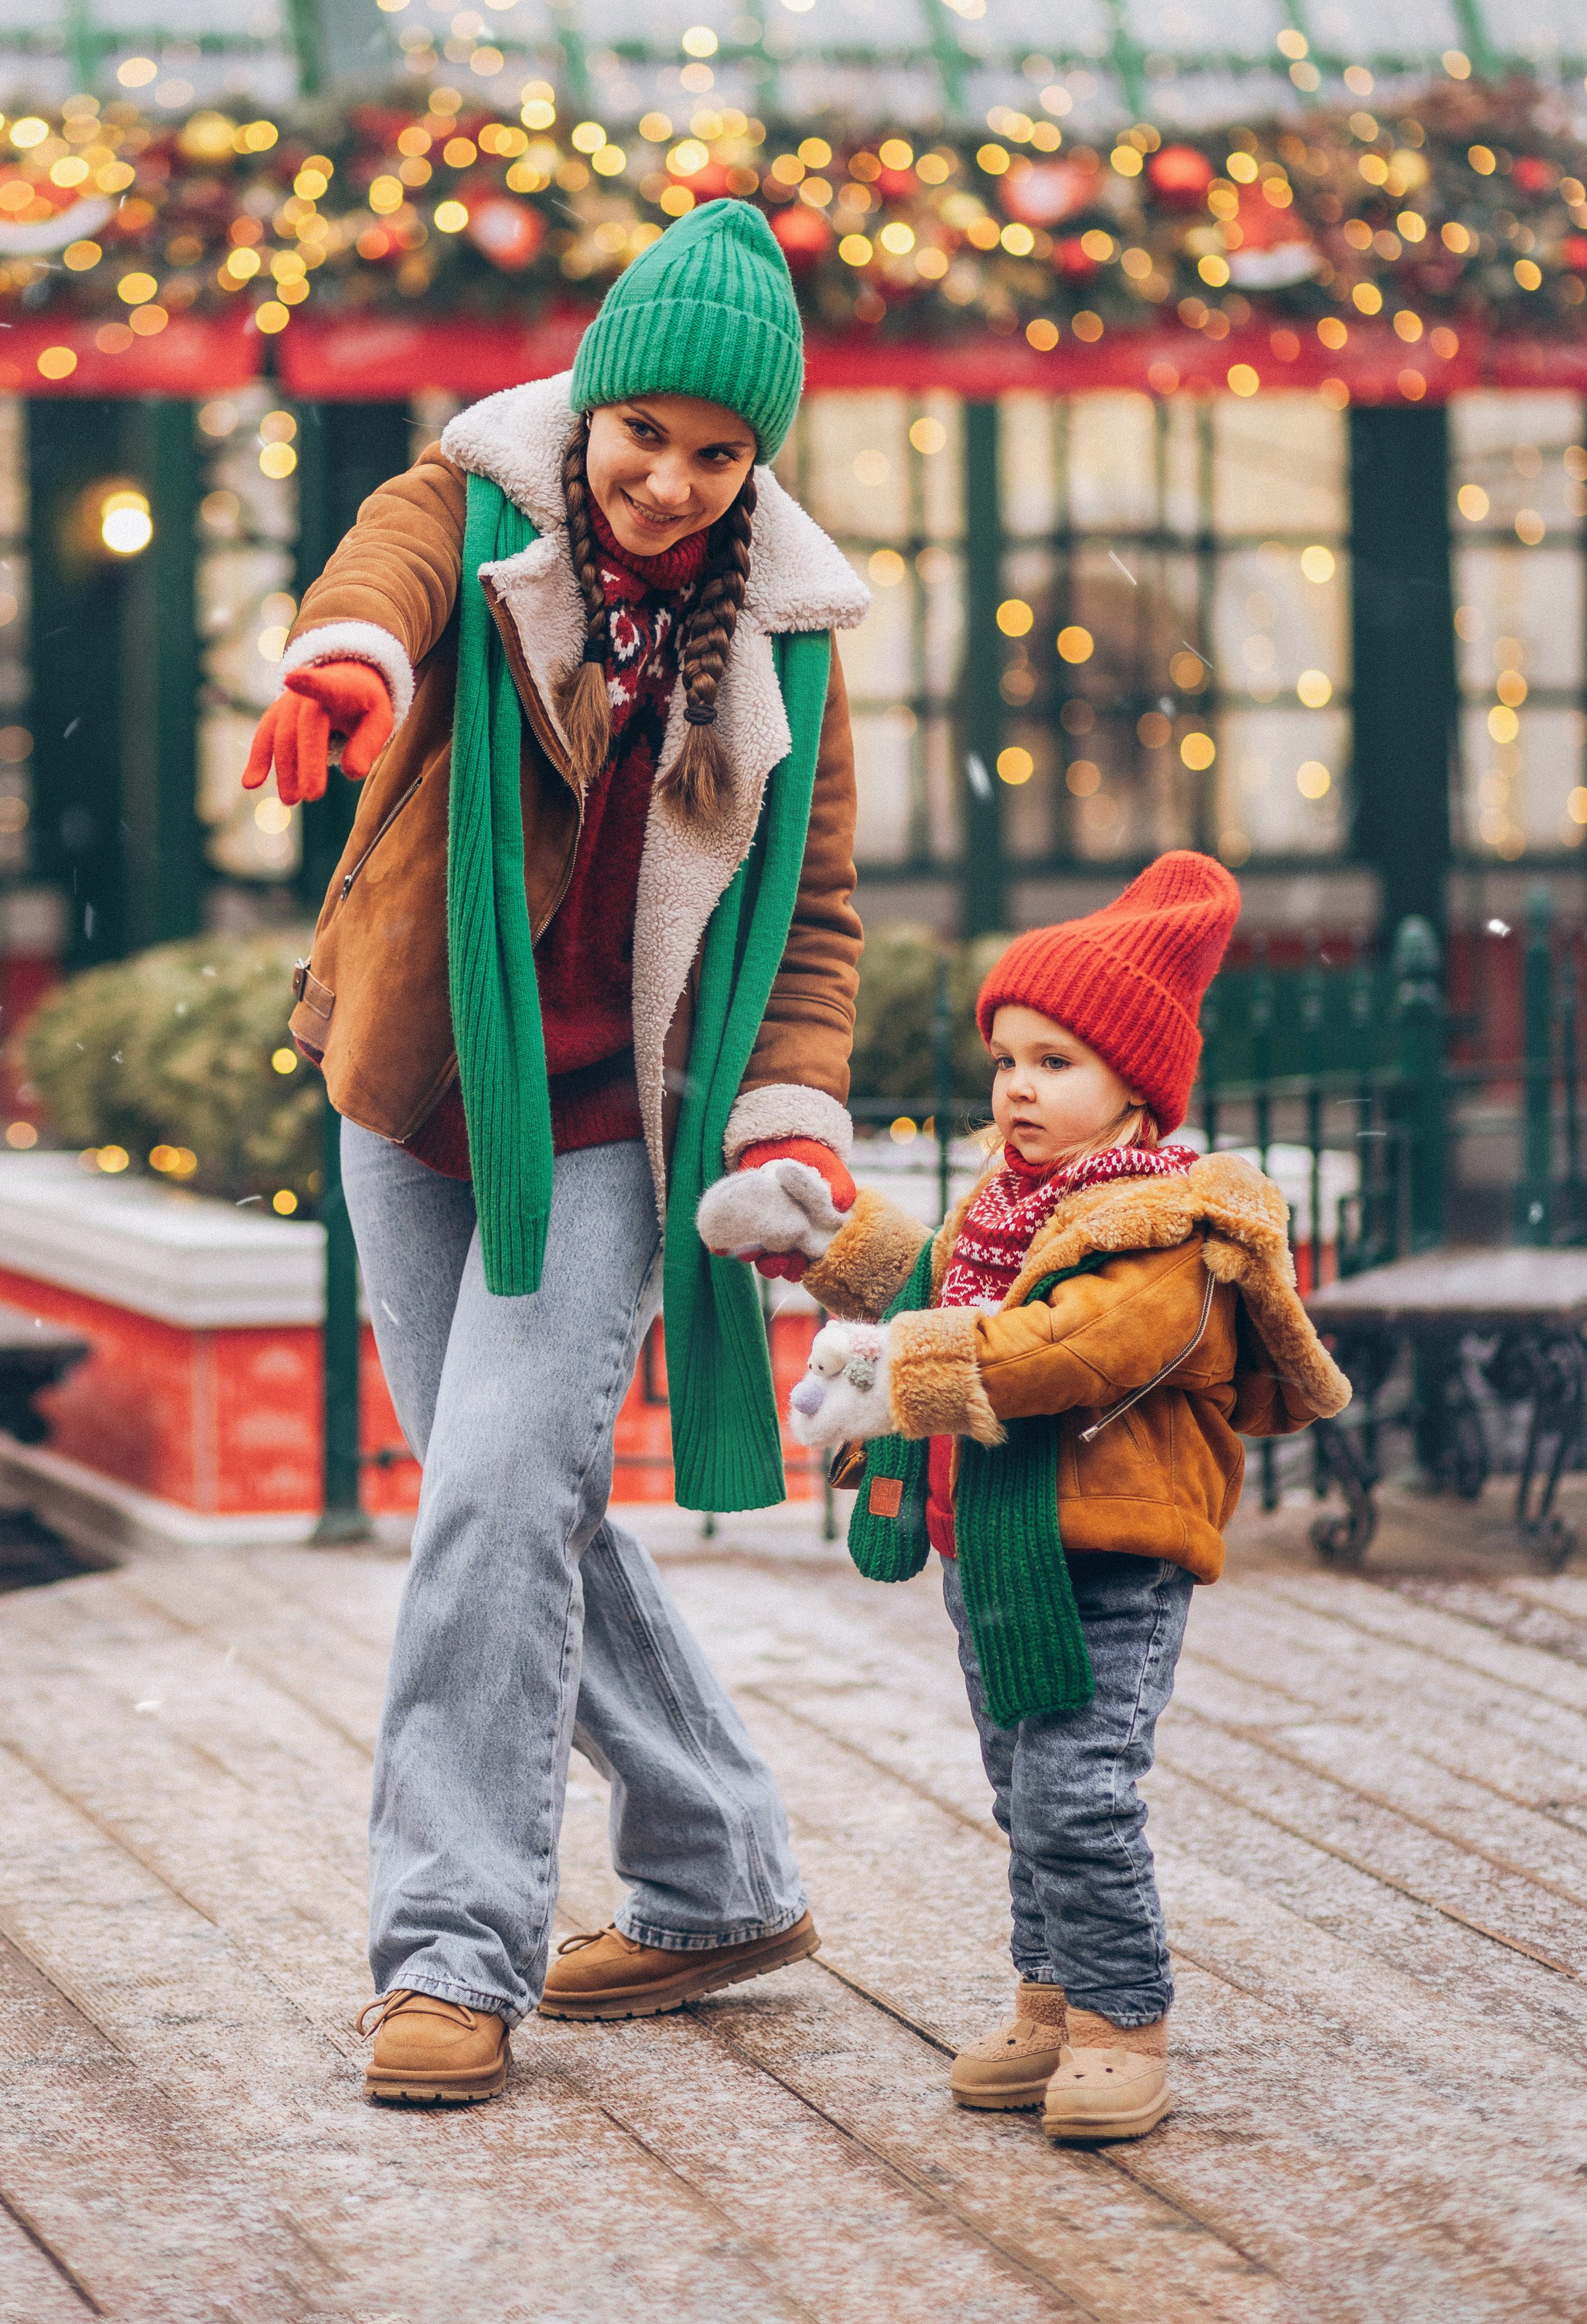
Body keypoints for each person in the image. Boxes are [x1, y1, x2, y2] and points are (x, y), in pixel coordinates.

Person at [244, 197, 869, 2107]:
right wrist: (349, 666)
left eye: (717, 452)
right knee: (509, 1502)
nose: (668, 480)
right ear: (586, 406)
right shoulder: (470, 507)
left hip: (614, 1129)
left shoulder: (789, 646)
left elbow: (811, 920)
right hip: (415, 1091)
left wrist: (788, 1117)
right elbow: (379, 575)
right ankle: (718, 1869)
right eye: (642, 433)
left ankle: (448, 1950)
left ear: (757, 462)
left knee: (495, 1499)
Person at [697, 854, 1351, 2143]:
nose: (1017, 1086)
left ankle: (1120, 2018)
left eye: (1056, 1061)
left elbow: (1061, 1350)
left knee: (1076, 1791)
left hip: (1107, 1557)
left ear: (1135, 1087)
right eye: (1006, 1059)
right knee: (1022, 1787)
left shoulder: (1162, 1231)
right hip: (992, 1546)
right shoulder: (1012, 1207)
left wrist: (889, 1375)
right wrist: (820, 1233)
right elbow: (934, 1278)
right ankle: (1050, 1999)